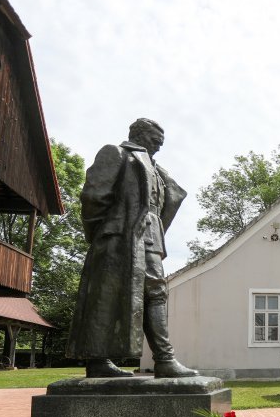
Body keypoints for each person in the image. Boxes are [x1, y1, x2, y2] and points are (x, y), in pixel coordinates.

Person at [67, 118, 198, 379]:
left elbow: (165, 204)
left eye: (161, 143)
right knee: (106, 295)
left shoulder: (158, 170)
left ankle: (164, 359)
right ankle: (98, 360)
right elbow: (93, 197)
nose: (158, 147)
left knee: (156, 293)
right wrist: (106, 231)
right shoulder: (116, 153)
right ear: (138, 135)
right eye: (154, 141)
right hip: (118, 235)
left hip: (151, 237)